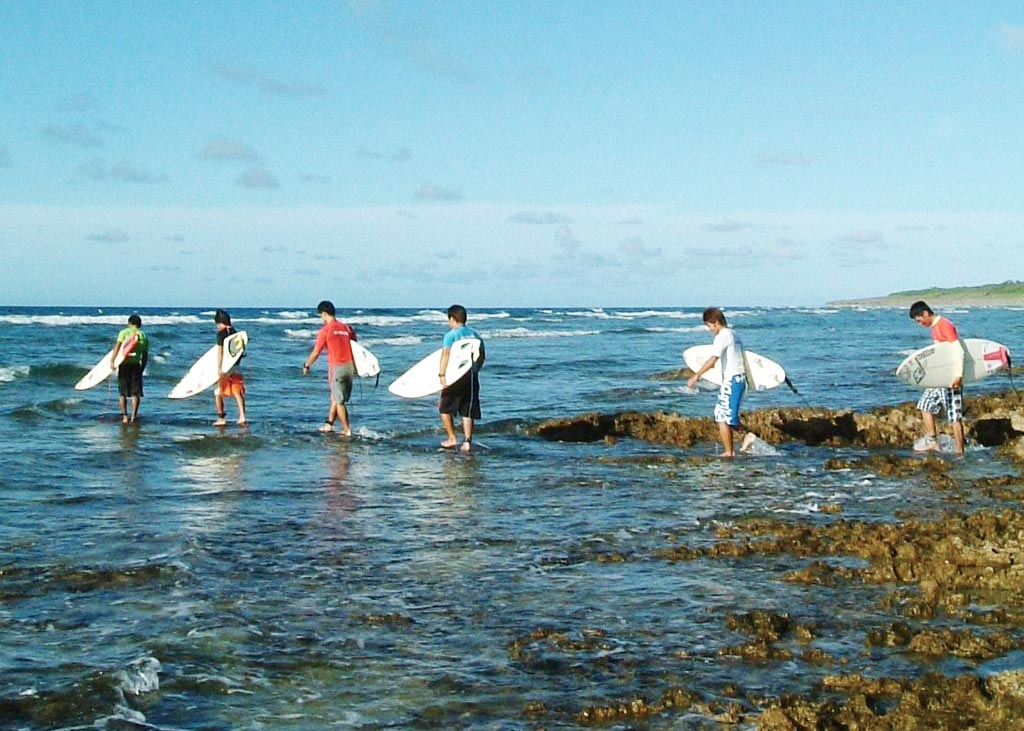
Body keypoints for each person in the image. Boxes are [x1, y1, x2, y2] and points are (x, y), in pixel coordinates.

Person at [687, 307, 752, 457]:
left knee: (721, 415)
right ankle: (745, 438)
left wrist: (696, 376)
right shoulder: (734, 334)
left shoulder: (722, 336)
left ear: (715, 322)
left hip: (733, 380)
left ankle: (730, 451)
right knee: (726, 416)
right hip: (740, 380)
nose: (710, 330)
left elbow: (713, 360)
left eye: (709, 326)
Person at [909, 300, 965, 454]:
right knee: (924, 405)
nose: (920, 324)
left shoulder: (945, 325)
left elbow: (958, 351)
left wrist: (958, 376)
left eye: (920, 321)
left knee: (954, 416)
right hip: (939, 378)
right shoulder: (935, 327)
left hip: (951, 378)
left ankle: (960, 451)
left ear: (926, 313)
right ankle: (933, 441)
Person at [302, 300, 357, 435]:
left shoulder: (325, 330)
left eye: (321, 315)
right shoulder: (347, 328)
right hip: (350, 368)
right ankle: (329, 424)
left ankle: (346, 430)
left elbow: (316, 352)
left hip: (336, 368)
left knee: (339, 402)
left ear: (325, 314)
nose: (321, 318)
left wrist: (307, 365)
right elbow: (356, 348)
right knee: (335, 396)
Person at [438, 304, 485, 453]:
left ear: (452, 319)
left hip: (454, 377)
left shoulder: (450, 335)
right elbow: (482, 355)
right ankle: (467, 442)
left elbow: (445, 354)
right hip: (470, 376)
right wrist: (476, 369)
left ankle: (452, 437)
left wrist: (442, 375)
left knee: (444, 407)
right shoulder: (475, 335)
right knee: (467, 409)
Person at [110, 314, 149, 424]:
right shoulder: (143, 335)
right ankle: (133, 417)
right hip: (136, 365)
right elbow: (145, 355)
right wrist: (142, 368)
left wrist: (112, 361)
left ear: (129, 323)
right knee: (135, 394)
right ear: (139, 324)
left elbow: (117, 347)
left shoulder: (123, 333)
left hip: (124, 365)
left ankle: (125, 416)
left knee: (122, 393)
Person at [213, 309, 247, 427]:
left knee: (217, 392)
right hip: (235, 365)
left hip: (225, 366)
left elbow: (220, 352)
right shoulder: (234, 332)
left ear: (219, 322)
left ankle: (221, 418)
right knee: (237, 391)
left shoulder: (221, 334)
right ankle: (242, 416)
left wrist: (219, 368)